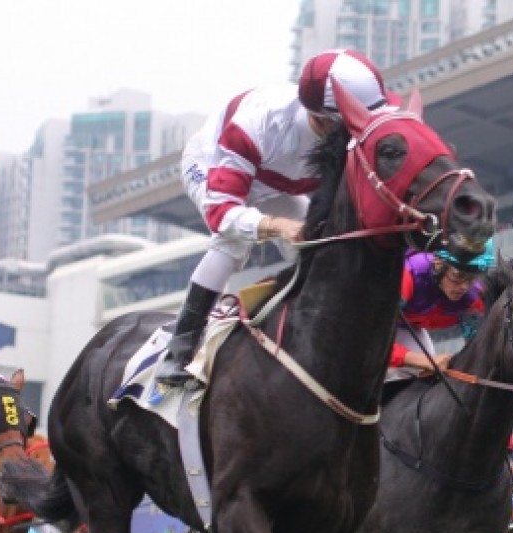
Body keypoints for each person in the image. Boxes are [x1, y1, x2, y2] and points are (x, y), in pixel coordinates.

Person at [156, 49, 394, 387]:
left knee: (314, 246)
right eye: (354, 121)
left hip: (279, 181)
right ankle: (179, 351)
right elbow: (221, 214)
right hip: (215, 167)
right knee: (231, 245)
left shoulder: (345, 120)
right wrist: (277, 226)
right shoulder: (257, 125)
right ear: (324, 120)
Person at [381, 241, 494, 402]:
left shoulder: (473, 299)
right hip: (361, 322)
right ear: (438, 263)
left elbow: (478, 353)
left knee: (429, 379)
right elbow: (368, 343)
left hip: (408, 326)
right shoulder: (408, 276)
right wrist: (424, 360)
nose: (463, 287)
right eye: (458, 276)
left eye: (471, 278)